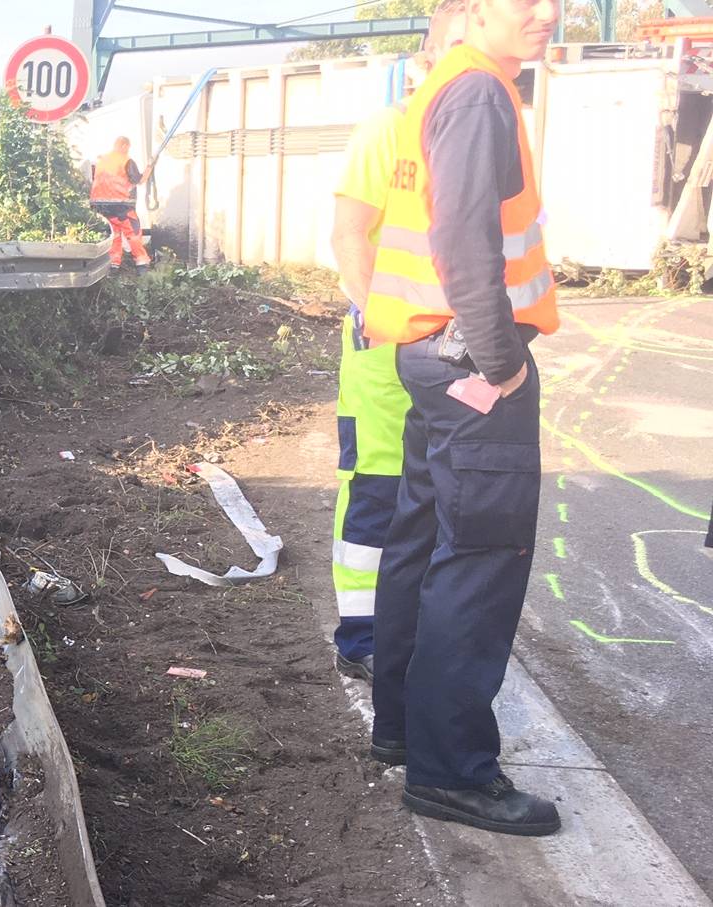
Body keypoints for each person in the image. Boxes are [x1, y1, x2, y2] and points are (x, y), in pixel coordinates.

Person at [365, 0, 563, 836]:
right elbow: (463, 240)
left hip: (433, 358)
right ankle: (451, 772)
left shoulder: (445, 85)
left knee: (424, 537)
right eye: (526, 2)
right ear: (476, 12)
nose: (547, 14)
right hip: (472, 361)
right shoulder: (479, 93)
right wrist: (504, 362)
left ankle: (406, 729)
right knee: (478, 555)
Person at [327, 1, 468, 685]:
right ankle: (362, 636)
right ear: (426, 58)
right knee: (379, 493)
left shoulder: (471, 134)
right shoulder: (389, 130)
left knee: (443, 498)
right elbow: (350, 235)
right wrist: (372, 310)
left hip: (451, 353)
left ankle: (414, 628)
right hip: (385, 355)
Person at [90, 137, 152, 268]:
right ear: (124, 146)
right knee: (133, 233)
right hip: (121, 205)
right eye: (128, 148)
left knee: (114, 233)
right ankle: (142, 263)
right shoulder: (126, 160)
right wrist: (149, 168)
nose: (128, 151)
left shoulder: (102, 160)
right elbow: (138, 180)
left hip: (100, 205)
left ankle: (113, 263)